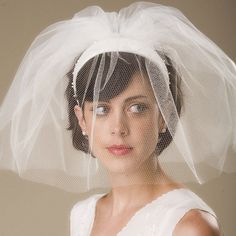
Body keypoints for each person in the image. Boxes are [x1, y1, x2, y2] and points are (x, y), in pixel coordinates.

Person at [0, 2, 235, 235]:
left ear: (164, 115)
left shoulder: (190, 226)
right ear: (82, 120)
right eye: (102, 110)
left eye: (136, 108)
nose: (118, 128)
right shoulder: (83, 215)